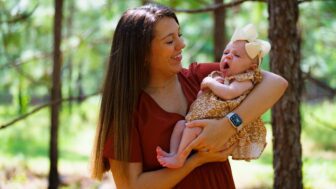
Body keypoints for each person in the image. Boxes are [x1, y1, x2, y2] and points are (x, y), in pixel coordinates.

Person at [90, 3, 288, 189]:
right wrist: (197, 159)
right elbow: (132, 185)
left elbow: (276, 83)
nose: (182, 44)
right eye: (170, 41)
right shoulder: (127, 111)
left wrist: (228, 125)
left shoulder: (203, 77)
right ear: (142, 53)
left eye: (180, 35)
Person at [156, 24, 271, 169]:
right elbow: (202, 98)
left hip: (221, 129)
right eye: (226, 52)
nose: (228, 56)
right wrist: (208, 89)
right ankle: (174, 153)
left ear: (251, 68)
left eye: (236, 55)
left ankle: (180, 157)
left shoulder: (245, 80)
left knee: (191, 128)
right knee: (180, 125)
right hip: (206, 122)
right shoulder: (222, 78)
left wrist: (211, 84)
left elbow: (229, 93)